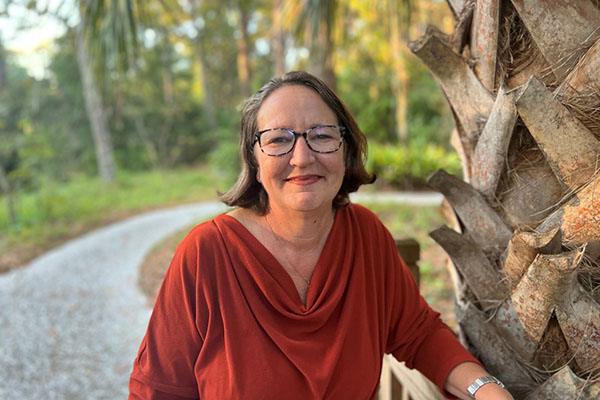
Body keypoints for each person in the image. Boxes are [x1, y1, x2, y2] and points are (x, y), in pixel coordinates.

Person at [129, 71, 514, 400]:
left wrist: (485, 389)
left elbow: (419, 334)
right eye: (279, 139)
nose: (302, 156)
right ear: (255, 161)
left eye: (321, 135)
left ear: (344, 150)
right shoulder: (207, 254)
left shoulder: (366, 236)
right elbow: (157, 390)